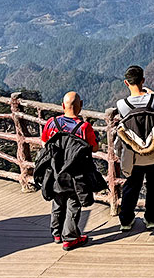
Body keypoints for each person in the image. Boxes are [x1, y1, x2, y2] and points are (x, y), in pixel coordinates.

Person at [37, 91, 101, 251]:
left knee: (58, 202)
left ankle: (57, 234)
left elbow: (45, 142)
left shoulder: (52, 123)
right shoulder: (84, 127)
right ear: (81, 106)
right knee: (74, 204)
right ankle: (70, 238)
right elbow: (94, 148)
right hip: (76, 174)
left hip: (54, 171)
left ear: (62, 105)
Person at [115, 65, 154, 232]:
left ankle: (126, 220)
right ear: (143, 80)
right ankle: (150, 219)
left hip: (134, 156)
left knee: (131, 187)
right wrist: (150, 94)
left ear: (126, 83)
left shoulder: (122, 104)